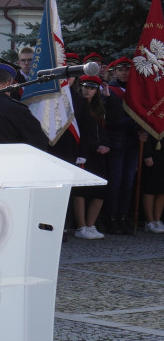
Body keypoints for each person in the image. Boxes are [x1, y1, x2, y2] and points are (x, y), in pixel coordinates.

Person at [103, 57, 139, 234]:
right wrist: (134, 122)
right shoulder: (110, 90)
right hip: (116, 141)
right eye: (121, 70)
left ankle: (122, 216)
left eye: (127, 69)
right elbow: (110, 119)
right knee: (115, 182)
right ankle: (110, 217)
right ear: (115, 72)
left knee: (128, 182)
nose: (125, 73)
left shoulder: (138, 89)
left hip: (133, 142)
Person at [72, 76, 109, 239]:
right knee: (81, 190)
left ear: (97, 91)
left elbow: (103, 129)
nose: (88, 90)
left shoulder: (99, 106)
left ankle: (90, 225)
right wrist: (95, 146)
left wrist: (106, 145)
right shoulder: (77, 104)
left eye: (92, 88)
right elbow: (83, 132)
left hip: (100, 153)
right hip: (83, 152)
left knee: (99, 191)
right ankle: (81, 227)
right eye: (86, 87)